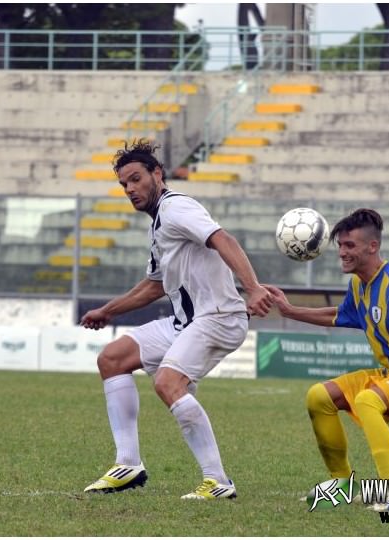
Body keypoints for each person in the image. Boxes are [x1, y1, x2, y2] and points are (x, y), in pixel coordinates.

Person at [80, 140, 273, 500]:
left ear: (157, 173)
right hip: (186, 322)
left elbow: (221, 238)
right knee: (113, 358)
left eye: (136, 179)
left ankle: (217, 481)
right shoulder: (158, 225)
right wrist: (108, 311)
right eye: (124, 185)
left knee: (168, 382)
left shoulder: (176, 208)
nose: (130, 189)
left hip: (217, 317)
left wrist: (253, 288)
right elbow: (155, 286)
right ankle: (128, 465)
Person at [265, 208, 389, 511]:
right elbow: (338, 315)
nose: (342, 252)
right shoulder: (359, 284)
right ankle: (341, 484)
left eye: (350, 246)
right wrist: (290, 311)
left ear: (373, 246)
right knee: (319, 397)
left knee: (368, 401)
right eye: (340, 245)